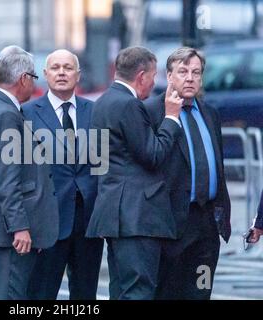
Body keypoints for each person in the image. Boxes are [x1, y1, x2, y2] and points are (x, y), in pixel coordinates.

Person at [85, 46, 183, 300]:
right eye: (152, 76)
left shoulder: (102, 102)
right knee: (139, 291)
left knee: (120, 290)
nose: (154, 83)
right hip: (137, 216)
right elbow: (153, 155)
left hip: (115, 213)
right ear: (141, 76)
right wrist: (171, 118)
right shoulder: (129, 105)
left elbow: (100, 162)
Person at [0, 45, 59, 300]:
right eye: (34, 78)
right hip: (7, 233)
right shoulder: (6, 114)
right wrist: (19, 227)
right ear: (23, 79)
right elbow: (6, 179)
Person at [145, 47, 231, 300]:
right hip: (170, 222)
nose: (190, 78)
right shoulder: (152, 112)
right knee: (169, 293)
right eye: (183, 72)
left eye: (196, 72)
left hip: (206, 223)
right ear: (169, 76)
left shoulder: (210, 113)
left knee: (201, 289)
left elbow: (217, 165)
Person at [23, 49, 104, 300]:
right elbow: (23, 171)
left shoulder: (95, 111)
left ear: (78, 75)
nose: (61, 72)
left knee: (85, 295)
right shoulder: (27, 113)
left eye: (68, 68)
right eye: (55, 67)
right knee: (41, 293)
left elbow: (104, 164)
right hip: (48, 221)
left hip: (88, 222)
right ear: (45, 74)